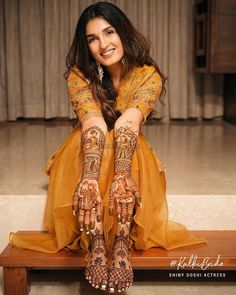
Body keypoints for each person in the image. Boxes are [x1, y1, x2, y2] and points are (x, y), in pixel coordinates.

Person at [9, 1, 208, 293]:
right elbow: (93, 123)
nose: (103, 44)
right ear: (85, 45)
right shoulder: (79, 75)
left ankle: (122, 239)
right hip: (86, 149)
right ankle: (98, 242)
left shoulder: (147, 75)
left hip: (131, 155)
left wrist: (122, 177)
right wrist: (88, 180)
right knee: (95, 137)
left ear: (123, 32)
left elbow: (129, 123)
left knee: (124, 137)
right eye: (92, 39)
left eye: (109, 32)